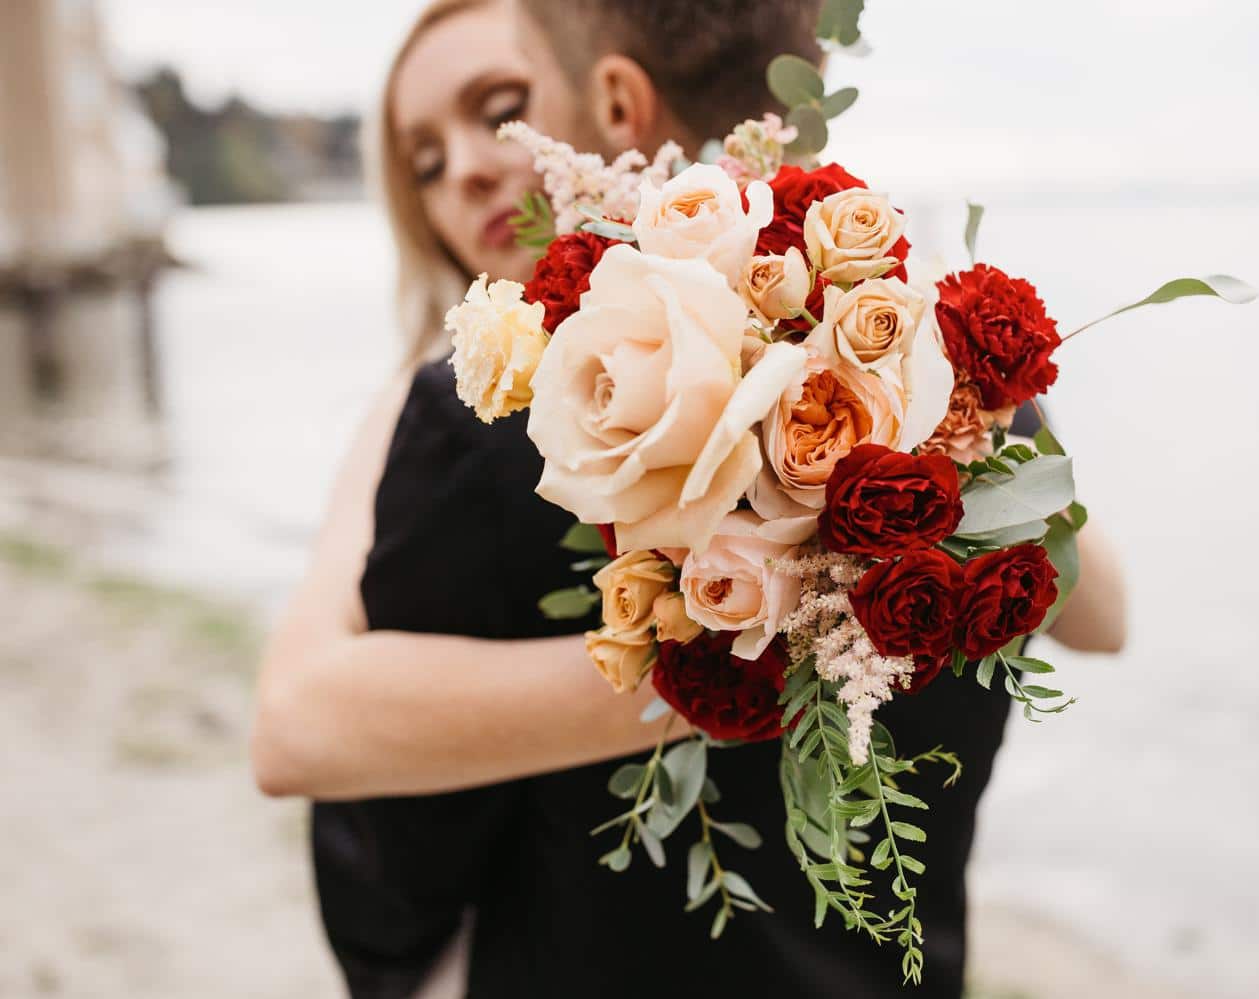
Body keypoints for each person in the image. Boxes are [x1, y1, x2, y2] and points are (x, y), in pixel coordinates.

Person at [251, 1, 1127, 995]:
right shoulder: (941, 373)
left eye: (506, 107)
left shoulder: (487, 433)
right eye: (424, 163)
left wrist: (755, 640)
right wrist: (780, 634)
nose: (468, 170)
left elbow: (318, 760)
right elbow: (1103, 615)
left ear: (612, 100)